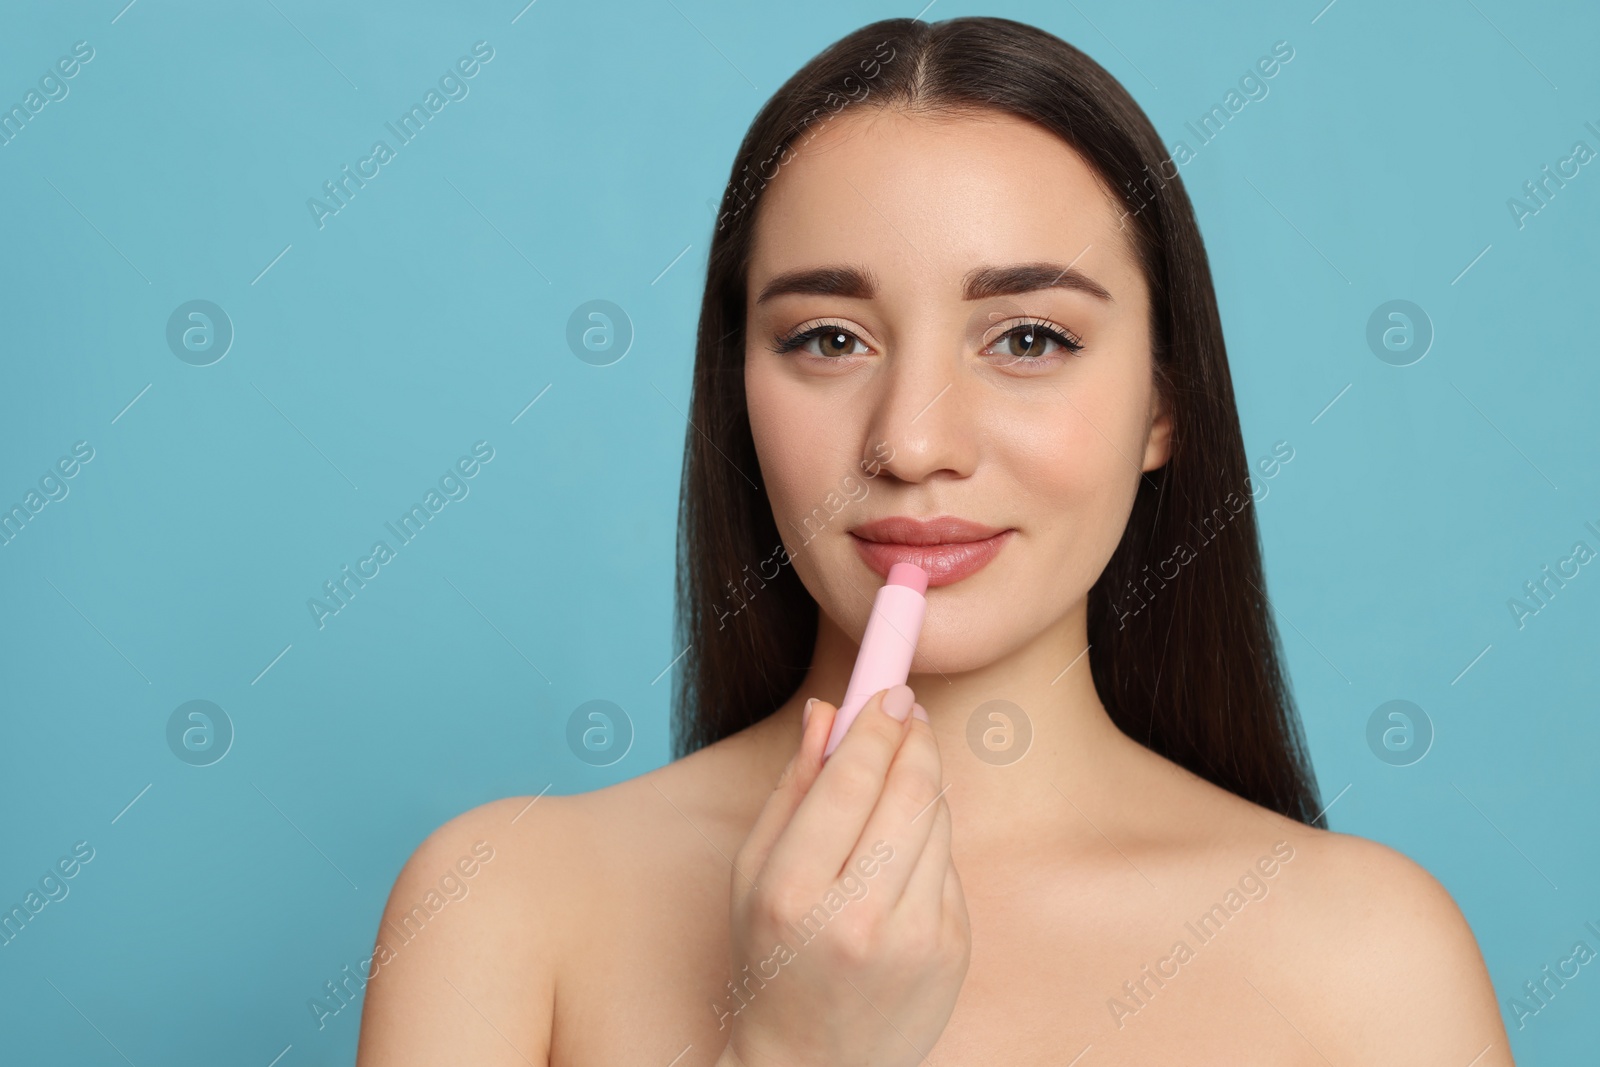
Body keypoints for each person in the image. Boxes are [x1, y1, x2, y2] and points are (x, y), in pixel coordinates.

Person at [356, 16, 1513, 1065]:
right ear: (737, 391)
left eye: (1026, 338)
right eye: (826, 337)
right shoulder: (502, 906)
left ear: (1162, 404)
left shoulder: (1367, 962)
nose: (911, 442)